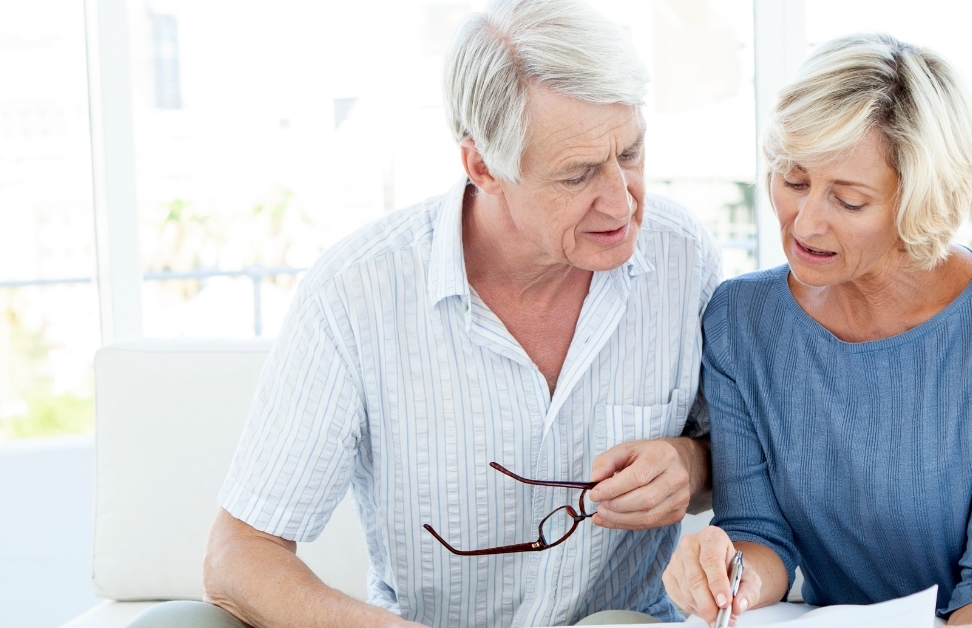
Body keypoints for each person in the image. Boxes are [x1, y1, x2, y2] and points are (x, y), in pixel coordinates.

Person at [127, 1, 722, 627]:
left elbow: (745, 463)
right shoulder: (356, 294)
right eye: (577, 176)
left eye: (630, 153)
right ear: (483, 167)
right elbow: (239, 555)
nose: (622, 200)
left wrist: (690, 463)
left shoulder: (682, 257)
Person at [663, 33, 972, 628]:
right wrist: (729, 576)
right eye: (793, 179)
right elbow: (761, 536)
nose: (804, 221)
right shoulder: (740, 322)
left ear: (917, 202)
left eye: (850, 201)